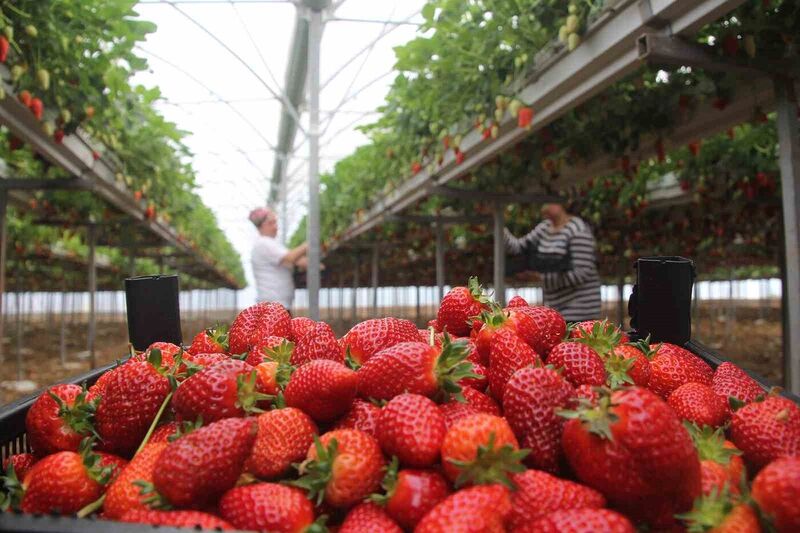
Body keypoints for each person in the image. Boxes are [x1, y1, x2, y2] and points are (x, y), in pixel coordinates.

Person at [504, 199, 601, 322]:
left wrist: (540, 278)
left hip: (580, 309)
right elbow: (517, 247)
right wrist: (497, 224)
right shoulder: (545, 227)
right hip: (557, 308)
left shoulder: (577, 229)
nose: (543, 206)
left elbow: (581, 273)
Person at [249, 207, 308, 309]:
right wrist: (309, 244)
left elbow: (297, 261)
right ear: (262, 226)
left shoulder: (271, 244)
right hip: (273, 308)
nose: (276, 227)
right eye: (271, 223)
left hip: (277, 306)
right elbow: (290, 258)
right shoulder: (264, 243)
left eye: (275, 223)